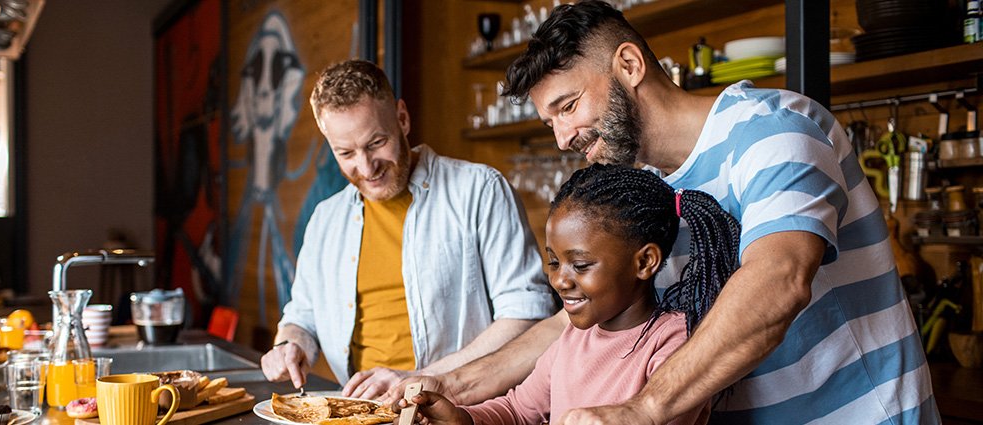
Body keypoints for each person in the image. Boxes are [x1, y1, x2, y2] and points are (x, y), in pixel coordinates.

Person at [389, 2, 936, 424]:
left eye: (569, 106)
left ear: (628, 64)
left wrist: (645, 409)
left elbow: (779, 277)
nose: (561, 137)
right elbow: (569, 322)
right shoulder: (643, 186)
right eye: (549, 120)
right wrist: (449, 389)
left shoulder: (773, 132)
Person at [259, 59, 557, 400]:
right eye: (346, 153)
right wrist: (290, 344)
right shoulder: (325, 218)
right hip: (361, 412)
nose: (366, 167)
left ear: (402, 118)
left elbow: (527, 316)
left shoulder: (480, 190)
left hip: (462, 408)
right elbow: (302, 315)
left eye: (375, 143)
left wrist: (419, 378)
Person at [402, 164, 737, 425]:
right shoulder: (570, 339)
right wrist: (463, 418)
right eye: (553, 261)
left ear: (645, 262)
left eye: (580, 264)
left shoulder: (675, 344)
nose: (560, 280)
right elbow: (518, 411)